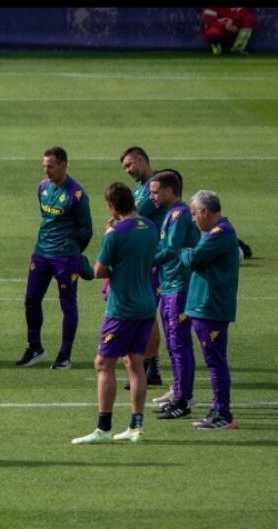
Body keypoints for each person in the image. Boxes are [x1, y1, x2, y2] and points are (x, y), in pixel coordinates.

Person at [72, 183, 158, 445]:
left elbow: (99, 271)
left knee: (103, 363)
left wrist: (109, 233)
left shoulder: (115, 234)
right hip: (146, 304)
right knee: (135, 363)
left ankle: (104, 428)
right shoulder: (150, 227)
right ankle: (135, 426)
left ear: (111, 205)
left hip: (122, 309)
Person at [21, 146, 93, 369]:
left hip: (65, 257)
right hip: (41, 253)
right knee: (31, 299)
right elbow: (47, 220)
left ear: (63, 165)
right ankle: (35, 347)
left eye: (50, 166)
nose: (46, 171)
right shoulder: (42, 188)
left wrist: (71, 251)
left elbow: (86, 231)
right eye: (44, 166)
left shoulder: (77, 194)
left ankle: (64, 355)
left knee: (67, 304)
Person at [182, 190, 240, 430]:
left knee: (215, 361)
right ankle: (217, 409)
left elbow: (194, 260)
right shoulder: (215, 233)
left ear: (205, 212)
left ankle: (223, 414)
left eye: (195, 214)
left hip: (211, 307)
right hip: (205, 306)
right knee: (213, 360)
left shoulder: (220, 233)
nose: (194, 219)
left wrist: (183, 251)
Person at [149, 171, 200, 419]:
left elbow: (170, 248)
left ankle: (184, 399)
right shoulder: (171, 214)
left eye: (155, 191)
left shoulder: (179, 214)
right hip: (169, 283)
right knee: (172, 342)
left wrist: (144, 260)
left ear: (170, 191)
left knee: (179, 342)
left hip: (179, 285)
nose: (152, 196)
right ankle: (178, 392)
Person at [120, 147, 166, 385]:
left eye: (129, 165)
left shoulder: (154, 187)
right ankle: (150, 365)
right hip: (144, 258)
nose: (128, 171)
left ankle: (151, 366)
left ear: (141, 159)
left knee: (147, 313)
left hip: (153, 258)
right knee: (147, 313)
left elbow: (131, 217)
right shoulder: (141, 189)